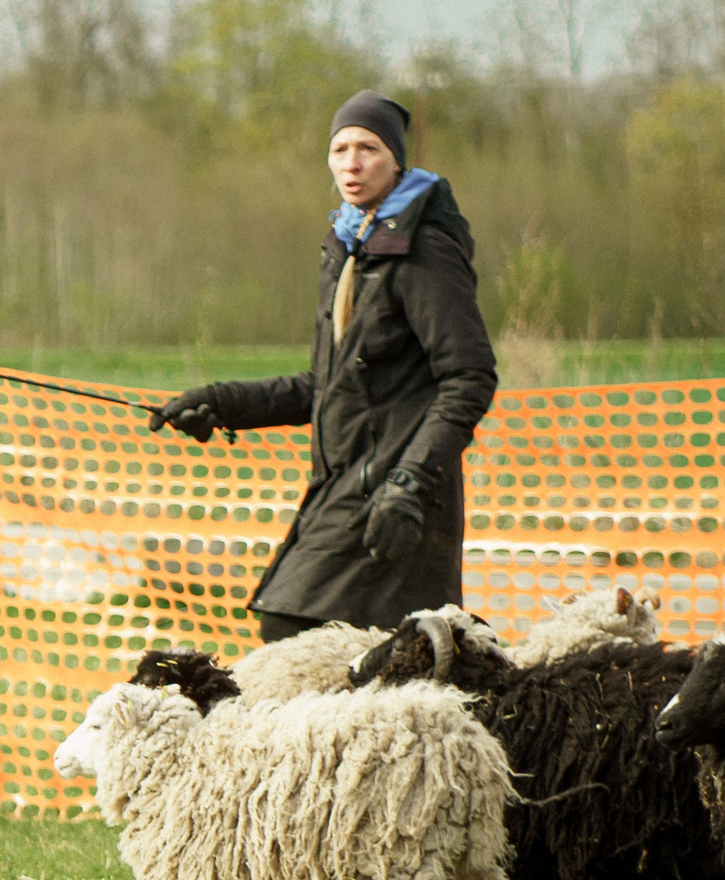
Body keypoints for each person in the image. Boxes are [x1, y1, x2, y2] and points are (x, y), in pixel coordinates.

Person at [147, 91, 498, 641]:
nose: (352, 163)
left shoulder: (423, 251)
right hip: (346, 486)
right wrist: (221, 403)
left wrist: (409, 483)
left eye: (369, 148)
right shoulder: (349, 246)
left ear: (396, 160)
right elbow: (329, 386)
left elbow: (470, 376)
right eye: (340, 149)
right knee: (319, 646)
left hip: (398, 499)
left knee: (292, 628)